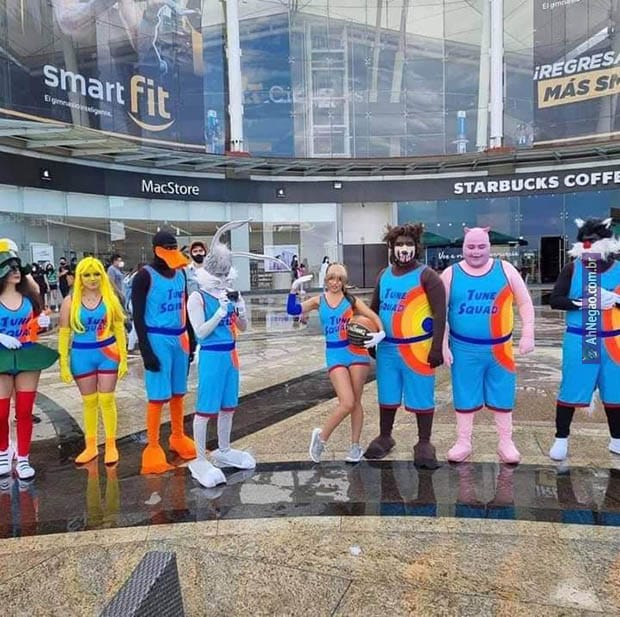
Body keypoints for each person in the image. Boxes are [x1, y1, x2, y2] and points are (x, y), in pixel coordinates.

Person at [187, 219, 288, 488]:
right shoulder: (197, 298)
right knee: (205, 408)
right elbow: (200, 332)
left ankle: (224, 448)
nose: (222, 281)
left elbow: (242, 327)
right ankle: (199, 458)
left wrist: (240, 311)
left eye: (225, 276)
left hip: (231, 356)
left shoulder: (230, 294)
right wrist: (219, 312)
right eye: (218, 276)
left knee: (228, 405)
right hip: (211, 356)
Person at [441, 226, 535, 465]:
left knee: (503, 394)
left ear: (489, 247)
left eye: (481, 246)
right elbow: (440, 313)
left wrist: (528, 333)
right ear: (463, 247)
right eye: (470, 246)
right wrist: (443, 344)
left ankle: (506, 441)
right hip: (463, 348)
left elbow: (525, 303)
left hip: (500, 349)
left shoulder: (506, 269)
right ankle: (463, 441)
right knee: (464, 395)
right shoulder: (450, 274)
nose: (476, 251)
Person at [364, 223, 446, 469]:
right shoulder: (384, 275)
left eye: (408, 244)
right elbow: (374, 309)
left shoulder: (428, 276)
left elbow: (440, 314)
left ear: (416, 247)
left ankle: (424, 441)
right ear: (392, 247)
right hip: (388, 349)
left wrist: (437, 347)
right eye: (399, 244)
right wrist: (371, 337)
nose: (404, 248)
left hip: (418, 349)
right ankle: (385, 436)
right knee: (387, 394)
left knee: (422, 396)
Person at [287, 263, 385, 463]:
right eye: (332, 278)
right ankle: (321, 438)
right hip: (334, 353)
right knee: (346, 402)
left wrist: (380, 333)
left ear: (344, 282)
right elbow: (292, 310)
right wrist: (293, 289)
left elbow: (373, 316)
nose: (335, 283)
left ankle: (355, 446)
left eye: (339, 279)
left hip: (356, 352)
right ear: (326, 280)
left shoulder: (351, 300)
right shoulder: (319, 300)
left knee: (356, 402)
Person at [548, 217, 620, 461]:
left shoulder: (619, 269)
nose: (589, 245)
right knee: (571, 388)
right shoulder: (573, 268)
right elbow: (555, 300)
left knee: (615, 391)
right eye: (585, 241)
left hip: (613, 341)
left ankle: (617, 439)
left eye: (593, 240)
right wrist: (583, 303)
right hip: (582, 339)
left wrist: (615, 300)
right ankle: (561, 438)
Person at [131, 229, 196, 474]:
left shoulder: (181, 273)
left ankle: (178, 436)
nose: (171, 251)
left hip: (180, 337)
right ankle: (153, 445)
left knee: (179, 392)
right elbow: (137, 315)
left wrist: (191, 337)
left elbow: (184, 306)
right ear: (156, 249)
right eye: (167, 247)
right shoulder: (144, 276)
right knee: (158, 395)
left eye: (174, 246)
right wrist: (145, 350)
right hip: (157, 337)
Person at [58, 257, 128, 465]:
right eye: (86, 275)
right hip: (81, 355)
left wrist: (124, 358)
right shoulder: (70, 301)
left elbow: (119, 328)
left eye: (96, 274)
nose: (92, 278)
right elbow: (64, 333)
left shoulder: (110, 298)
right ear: (79, 277)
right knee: (89, 402)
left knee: (107, 400)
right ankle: (91, 446)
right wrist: (63, 363)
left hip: (108, 354)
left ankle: (111, 445)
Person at [0, 242, 58, 479]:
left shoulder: (29, 296)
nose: (16, 271)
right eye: (10, 267)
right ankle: (4, 452)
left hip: (27, 355)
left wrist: (42, 324)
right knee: (1, 412)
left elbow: (37, 324)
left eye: (17, 267)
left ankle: (23, 458)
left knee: (24, 411)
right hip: (1, 358)